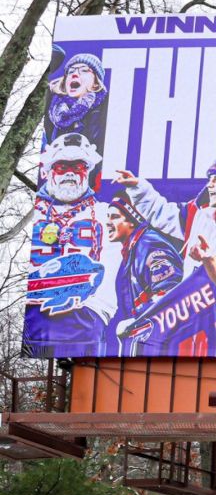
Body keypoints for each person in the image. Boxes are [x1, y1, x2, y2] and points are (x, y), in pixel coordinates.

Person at [25, 133, 121, 358]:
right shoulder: (34, 214)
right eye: (62, 166)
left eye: (78, 166)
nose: (70, 172)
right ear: (48, 170)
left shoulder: (108, 212)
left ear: (88, 170)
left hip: (86, 314)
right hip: (34, 313)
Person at [102, 192, 182, 354]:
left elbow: (170, 297)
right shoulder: (134, 248)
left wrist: (136, 324)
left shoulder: (149, 245)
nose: (107, 222)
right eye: (107, 216)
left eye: (114, 217)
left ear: (132, 220)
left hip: (166, 344)